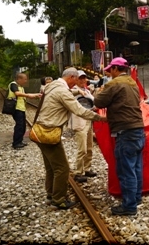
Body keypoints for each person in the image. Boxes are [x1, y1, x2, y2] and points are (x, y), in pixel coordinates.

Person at [35, 68, 106, 209]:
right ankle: (58, 199)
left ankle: (50, 195)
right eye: (76, 79)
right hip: (49, 133)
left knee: (51, 167)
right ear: (72, 77)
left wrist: (77, 91)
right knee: (62, 168)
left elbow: (66, 94)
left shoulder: (52, 86)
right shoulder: (62, 91)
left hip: (39, 131)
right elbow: (79, 110)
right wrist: (100, 118)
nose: (77, 82)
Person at [94, 57, 145, 216]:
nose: (110, 73)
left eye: (111, 70)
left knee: (126, 170)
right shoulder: (132, 83)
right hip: (138, 129)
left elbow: (99, 101)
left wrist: (99, 91)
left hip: (125, 131)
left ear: (116, 69)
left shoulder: (114, 83)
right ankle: (136, 198)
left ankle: (129, 206)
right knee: (136, 167)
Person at [70, 70, 97, 183]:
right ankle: (78, 172)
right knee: (82, 149)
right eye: (80, 78)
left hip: (88, 121)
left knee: (89, 147)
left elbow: (93, 102)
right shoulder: (72, 91)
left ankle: (87, 168)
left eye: (84, 78)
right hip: (79, 122)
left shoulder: (86, 90)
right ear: (76, 79)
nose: (83, 80)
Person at [7, 73, 42, 149]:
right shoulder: (13, 85)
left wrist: (35, 95)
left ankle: (20, 141)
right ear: (19, 79)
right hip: (16, 108)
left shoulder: (20, 86)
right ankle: (16, 143)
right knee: (19, 126)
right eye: (25, 79)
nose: (26, 81)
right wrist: (29, 95)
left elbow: (23, 95)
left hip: (21, 108)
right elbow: (17, 93)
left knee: (22, 126)